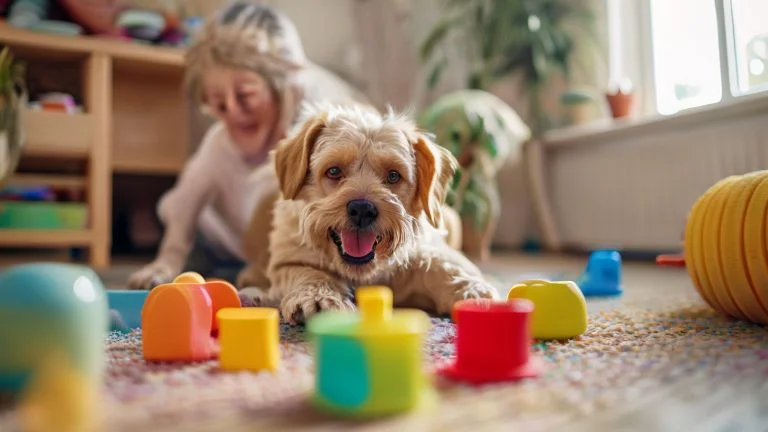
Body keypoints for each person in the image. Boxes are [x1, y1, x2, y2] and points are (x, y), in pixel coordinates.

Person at [128, 1, 368, 289]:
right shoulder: (220, 143)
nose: (232, 111)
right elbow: (186, 204)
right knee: (183, 220)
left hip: (288, 246)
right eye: (217, 103)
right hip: (223, 241)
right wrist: (168, 259)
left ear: (286, 84)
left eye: (246, 94)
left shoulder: (326, 122)